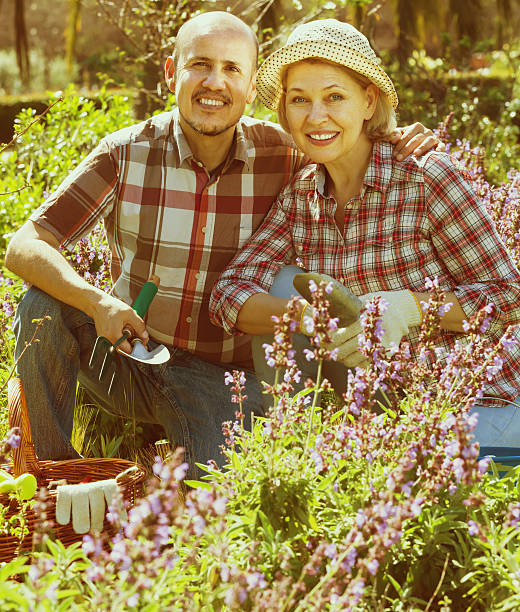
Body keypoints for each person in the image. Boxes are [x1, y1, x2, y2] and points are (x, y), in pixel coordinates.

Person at [5, 12, 438, 475]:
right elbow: (25, 243)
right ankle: (49, 476)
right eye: (200, 65)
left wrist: (395, 138)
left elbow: (338, 133)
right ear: (172, 73)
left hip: (224, 382)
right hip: (132, 356)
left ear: (252, 89)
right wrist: (95, 301)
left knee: (211, 501)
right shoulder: (125, 154)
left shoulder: (285, 155)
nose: (215, 82)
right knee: (41, 305)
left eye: (232, 69)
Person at [210, 19, 520, 444]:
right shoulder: (300, 198)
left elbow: (508, 297)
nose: (316, 116)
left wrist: (409, 309)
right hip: (386, 407)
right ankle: (302, 444)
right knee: (285, 285)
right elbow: (228, 292)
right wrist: (304, 318)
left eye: (335, 96)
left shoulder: (425, 177)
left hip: (480, 399)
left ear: (368, 101)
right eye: (300, 99)